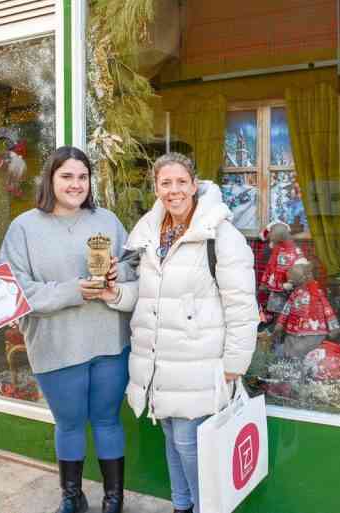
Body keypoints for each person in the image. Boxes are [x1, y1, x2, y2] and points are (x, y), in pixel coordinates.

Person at [101, 152, 258, 513]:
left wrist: (235, 361)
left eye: (181, 182)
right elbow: (150, 294)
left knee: (190, 444)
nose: (174, 191)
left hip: (199, 361)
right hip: (160, 361)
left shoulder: (220, 235)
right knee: (173, 441)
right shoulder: (150, 234)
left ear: (194, 184)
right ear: (156, 187)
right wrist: (117, 294)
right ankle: (181, 505)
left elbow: (242, 305)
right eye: (165, 183)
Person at [0, 146, 134, 513]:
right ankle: (72, 498)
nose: (76, 184)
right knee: (70, 424)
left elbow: (133, 267)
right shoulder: (24, 227)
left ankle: (113, 500)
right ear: (50, 179)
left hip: (108, 340)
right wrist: (71, 292)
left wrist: (116, 274)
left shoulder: (106, 220)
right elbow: (14, 290)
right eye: (67, 176)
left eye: (82, 177)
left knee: (107, 420)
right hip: (56, 344)